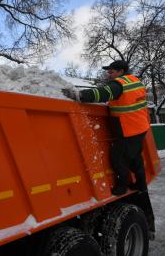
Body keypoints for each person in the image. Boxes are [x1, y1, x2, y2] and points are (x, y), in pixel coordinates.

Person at [62, 60, 150, 196]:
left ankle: (121, 187)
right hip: (140, 128)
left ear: (121, 71)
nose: (109, 75)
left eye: (111, 72)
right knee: (135, 158)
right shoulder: (135, 82)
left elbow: (103, 93)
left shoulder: (119, 84)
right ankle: (141, 184)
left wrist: (80, 95)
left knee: (118, 157)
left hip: (129, 130)